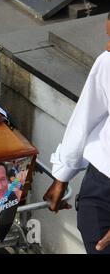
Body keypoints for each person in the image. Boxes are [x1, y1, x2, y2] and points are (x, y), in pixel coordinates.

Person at [43, 13, 110, 254]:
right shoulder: (107, 62)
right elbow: (86, 116)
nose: (107, 47)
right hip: (100, 185)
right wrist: (63, 174)